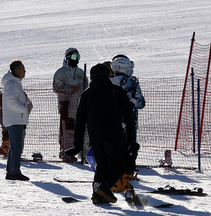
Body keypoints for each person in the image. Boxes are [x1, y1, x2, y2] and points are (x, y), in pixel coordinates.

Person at [68, 62, 137, 204]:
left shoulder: (87, 94)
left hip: (95, 136)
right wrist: (131, 138)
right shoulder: (117, 91)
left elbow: (79, 121)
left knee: (102, 166)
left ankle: (97, 197)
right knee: (118, 164)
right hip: (114, 134)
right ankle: (103, 188)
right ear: (107, 75)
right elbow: (128, 116)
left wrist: (77, 145)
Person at [110, 55, 145, 167]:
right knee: (130, 148)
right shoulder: (133, 82)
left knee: (112, 149)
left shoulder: (107, 82)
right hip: (131, 123)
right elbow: (141, 103)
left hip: (111, 122)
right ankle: (128, 172)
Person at [53, 47, 87, 160]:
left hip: (81, 107)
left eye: (78, 57)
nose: (76, 60)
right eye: (73, 57)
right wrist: (72, 89)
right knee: (68, 130)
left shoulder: (80, 72)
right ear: (67, 58)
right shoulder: (61, 73)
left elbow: (86, 87)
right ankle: (67, 153)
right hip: (67, 107)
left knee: (83, 130)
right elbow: (57, 88)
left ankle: (84, 155)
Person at [1, 60, 32, 181]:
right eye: (23, 69)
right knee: (17, 147)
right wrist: (24, 109)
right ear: (16, 70)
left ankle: (11, 171)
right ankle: (14, 172)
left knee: (14, 147)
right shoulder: (12, 84)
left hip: (16, 119)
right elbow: (11, 101)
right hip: (15, 120)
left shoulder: (14, 83)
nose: (25, 71)